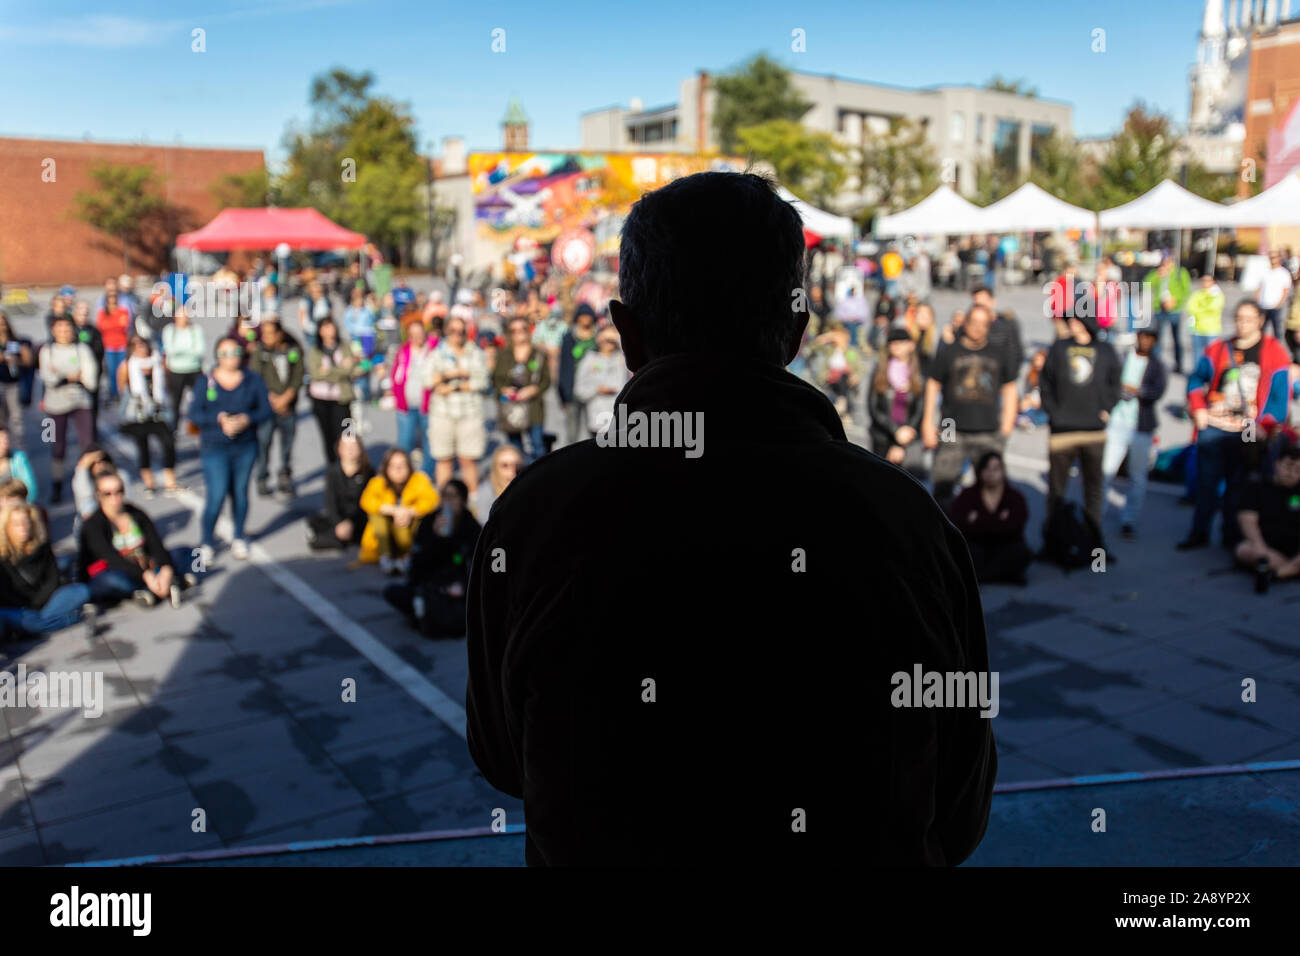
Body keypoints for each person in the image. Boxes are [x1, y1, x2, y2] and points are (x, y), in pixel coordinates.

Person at [466, 171, 995, 867]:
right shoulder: (906, 522)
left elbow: (504, 761)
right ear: (798, 330)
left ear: (627, 336)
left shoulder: (534, 517)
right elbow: (959, 809)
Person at [1180, 300, 1294, 551]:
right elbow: (1196, 380)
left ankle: (1231, 535)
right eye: (1239, 318)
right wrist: (1198, 407)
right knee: (1206, 483)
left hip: (1250, 428)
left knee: (1239, 484)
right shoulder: (1219, 348)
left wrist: (1267, 423)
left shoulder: (1274, 352)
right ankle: (1199, 532)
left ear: (1261, 321)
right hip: (1215, 423)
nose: (1243, 324)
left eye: (1249, 319)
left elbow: (1279, 396)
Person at [924, 303, 1019, 505]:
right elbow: (933, 384)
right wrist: (927, 423)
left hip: (988, 430)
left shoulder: (998, 353)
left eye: (983, 324)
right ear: (965, 322)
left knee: (992, 490)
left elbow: (1010, 388)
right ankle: (945, 533)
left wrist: (1007, 424)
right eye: (974, 322)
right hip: (950, 427)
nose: (978, 328)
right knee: (943, 484)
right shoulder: (949, 351)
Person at [188, 336, 272, 564]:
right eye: (224, 353)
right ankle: (206, 540)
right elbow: (194, 414)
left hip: (245, 446)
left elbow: (265, 410)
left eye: (234, 352)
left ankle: (238, 535)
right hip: (214, 446)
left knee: (241, 493)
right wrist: (218, 419)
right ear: (217, 357)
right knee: (216, 494)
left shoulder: (252, 380)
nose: (230, 358)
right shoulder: (206, 381)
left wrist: (247, 419)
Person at [1039, 311, 1121, 531]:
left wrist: (1106, 408)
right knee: (1057, 490)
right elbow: (1045, 381)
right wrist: (1052, 411)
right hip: (1061, 430)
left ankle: (1093, 542)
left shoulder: (1105, 349)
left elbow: (1116, 381)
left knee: (1093, 489)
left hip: (1094, 431)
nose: (1072, 323)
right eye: (1070, 320)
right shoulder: (1059, 348)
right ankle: (1053, 542)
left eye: (1076, 319)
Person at [382, 478, 481, 637]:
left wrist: (463, 585)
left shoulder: (471, 527)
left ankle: (426, 614)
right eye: (445, 496)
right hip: (430, 584)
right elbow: (417, 565)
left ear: (463, 500)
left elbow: (476, 565)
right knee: (393, 592)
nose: (448, 501)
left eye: (453, 496)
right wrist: (435, 537)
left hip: (458, 585)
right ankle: (423, 610)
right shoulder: (429, 522)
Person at [78, 471, 185, 608]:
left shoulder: (136, 513)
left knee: (184, 553)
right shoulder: (93, 524)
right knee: (110, 580)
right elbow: (109, 558)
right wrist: (145, 575)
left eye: (119, 491)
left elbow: (155, 544)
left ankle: (158, 586)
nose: (115, 497)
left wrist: (166, 568)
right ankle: (162, 586)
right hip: (120, 572)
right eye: (108, 493)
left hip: (147, 567)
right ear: (98, 496)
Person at [1101, 326, 1167, 539]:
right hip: (1116, 423)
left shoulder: (1157, 365)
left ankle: (1129, 520)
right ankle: (1095, 514)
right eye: (1143, 336)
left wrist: (1137, 392)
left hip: (1141, 426)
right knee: (1105, 470)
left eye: (1151, 338)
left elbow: (1157, 391)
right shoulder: (1122, 358)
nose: (1146, 341)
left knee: (1137, 477)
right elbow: (1107, 382)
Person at [0, 503, 93, 635]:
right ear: (6, 527)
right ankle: (71, 618)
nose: (23, 527)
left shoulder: (42, 546)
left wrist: (38, 607)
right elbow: (5, 594)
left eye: (26, 522)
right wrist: (30, 609)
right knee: (24, 620)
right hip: (19, 609)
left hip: (46, 603)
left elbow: (52, 581)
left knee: (81, 591)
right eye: (16, 524)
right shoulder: (2, 556)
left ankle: (32, 627)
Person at [947, 451, 1033, 586]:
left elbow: (1015, 526)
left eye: (995, 469)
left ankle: (985, 575)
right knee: (966, 554)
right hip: (977, 546)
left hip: (1005, 546)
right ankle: (998, 574)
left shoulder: (1014, 497)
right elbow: (958, 522)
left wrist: (978, 520)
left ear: (1002, 471)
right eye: (986, 468)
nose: (991, 473)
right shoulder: (968, 495)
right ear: (980, 471)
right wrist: (998, 521)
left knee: (1020, 553)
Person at [39, 315, 98, 504]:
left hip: (80, 400)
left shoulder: (82, 349)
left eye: (67, 328)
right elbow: (48, 377)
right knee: (57, 444)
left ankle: (89, 478)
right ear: (53, 331)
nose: (64, 332)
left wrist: (66, 376)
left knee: (87, 442)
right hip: (55, 403)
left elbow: (90, 376)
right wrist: (70, 376)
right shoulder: (47, 351)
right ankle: (57, 483)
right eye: (60, 328)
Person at [427, 311, 489, 494]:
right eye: (453, 330)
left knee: (468, 460)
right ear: (447, 331)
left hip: (470, 413)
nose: (457, 334)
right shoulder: (437, 353)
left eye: (461, 331)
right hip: (442, 414)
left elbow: (483, 381)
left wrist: (452, 386)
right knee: (444, 459)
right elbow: (427, 379)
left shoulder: (475, 352)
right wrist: (453, 374)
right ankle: (445, 500)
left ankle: (471, 502)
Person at [358, 446, 439, 575]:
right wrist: (393, 510)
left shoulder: (419, 480)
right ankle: (386, 558)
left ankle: (407, 557)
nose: (398, 470)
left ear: (409, 466)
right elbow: (366, 501)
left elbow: (431, 500)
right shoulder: (378, 482)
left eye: (402, 465)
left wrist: (409, 511)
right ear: (386, 468)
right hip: (386, 537)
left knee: (422, 518)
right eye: (393, 466)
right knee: (376, 515)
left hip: (410, 532)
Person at [249, 316, 304, 499]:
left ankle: (285, 475)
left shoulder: (293, 351)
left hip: (288, 406)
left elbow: (298, 375)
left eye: (270, 333)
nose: (266, 337)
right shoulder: (260, 352)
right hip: (267, 407)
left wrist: (287, 397)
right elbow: (255, 377)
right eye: (264, 334)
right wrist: (271, 399)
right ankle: (262, 477)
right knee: (264, 442)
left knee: (287, 444)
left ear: (280, 334)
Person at [117, 335, 178, 498]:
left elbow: (168, 383)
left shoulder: (158, 362)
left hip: (159, 410)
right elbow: (122, 389)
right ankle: (149, 483)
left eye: (142, 343)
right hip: (138, 412)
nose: (139, 347)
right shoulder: (127, 366)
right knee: (142, 447)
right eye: (135, 344)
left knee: (168, 442)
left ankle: (170, 481)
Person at [1236, 443, 1300, 593]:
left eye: (1297, 470)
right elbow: (1247, 520)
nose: (1291, 473)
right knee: (1244, 550)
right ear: (1277, 464)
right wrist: (1259, 547)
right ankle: (1290, 570)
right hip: (1266, 545)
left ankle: (1275, 574)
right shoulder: (1258, 487)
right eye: (1288, 466)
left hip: (1295, 546)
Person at [867, 327, 925, 477]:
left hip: (909, 438)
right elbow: (873, 407)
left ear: (911, 345)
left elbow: (920, 408)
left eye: (901, 342)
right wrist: (895, 431)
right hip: (882, 436)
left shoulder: (918, 373)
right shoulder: (880, 371)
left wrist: (903, 438)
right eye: (893, 343)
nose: (897, 346)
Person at [493, 315, 550, 463]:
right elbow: (495, 380)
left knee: (537, 447)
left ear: (528, 331)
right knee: (515, 449)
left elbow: (546, 380)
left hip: (533, 407)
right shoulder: (503, 354)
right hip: (510, 409)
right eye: (514, 330)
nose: (519, 333)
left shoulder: (538, 354)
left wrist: (534, 389)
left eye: (523, 329)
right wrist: (504, 390)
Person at [306, 432, 374, 551]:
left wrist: (351, 523)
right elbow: (330, 502)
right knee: (316, 521)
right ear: (339, 449)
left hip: (359, 519)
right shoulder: (333, 473)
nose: (350, 450)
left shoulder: (369, 473)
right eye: (346, 447)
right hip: (340, 517)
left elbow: (369, 503)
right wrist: (339, 523)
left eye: (353, 446)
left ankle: (341, 537)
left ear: (360, 448)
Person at [306, 317, 358, 465]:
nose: (329, 331)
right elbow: (315, 373)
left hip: (342, 398)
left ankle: (349, 462)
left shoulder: (344, 346)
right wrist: (341, 370)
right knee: (327, 435)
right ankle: (333, 466)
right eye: (325, 328)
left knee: (346, 433)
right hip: (321, 399)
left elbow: (351, 368)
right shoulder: (315, 350)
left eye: (331, 327)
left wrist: (328, 372)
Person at [391, 319, 434, 474]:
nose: (417, 337)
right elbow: (396, 375)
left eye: (420, 333)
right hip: (406, 405)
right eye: (413, 334)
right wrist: (397, 397)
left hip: (427, 405)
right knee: (404, 442)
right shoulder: (403, 351)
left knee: (429, 442)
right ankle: (403, 474)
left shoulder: (433, 350)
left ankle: (426, 475)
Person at [573, 327, 630, 439]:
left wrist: (616, 338)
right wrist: (596, 390)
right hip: (596, 420)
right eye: (605, 339)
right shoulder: (589, 360)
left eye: (611, 340)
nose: (608, 343)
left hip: (618, 420)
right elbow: (579, 390)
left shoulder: (621, 360)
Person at [557, 304, 599, 443]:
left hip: (594, 389)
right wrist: (563, 394)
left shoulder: (598, 338)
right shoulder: (569, 338)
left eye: (588, 316)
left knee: (596, 429)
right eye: (583, 316)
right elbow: (563, 367)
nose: (586, 319)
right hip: (573, 390)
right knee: (572, 432)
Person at [1143, 255, 1192, 374]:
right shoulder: (1159, 273)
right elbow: (1145, 284)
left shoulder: (1180, 273)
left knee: (1176, 339)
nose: (1166, 263)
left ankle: (1179, 364)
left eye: (1168, 261)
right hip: (1160, 309)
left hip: (1175, 311)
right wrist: (1157, 275)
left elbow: (1186, 291)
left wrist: (1175, 301)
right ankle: (1155, 364)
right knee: (1157, 339)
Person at [161, 304, 206, 434]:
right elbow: (169, 350)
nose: (184, 318)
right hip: (176, 371)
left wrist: (180, 352)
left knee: (198, 399)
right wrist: (188, 351)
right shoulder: (169, 330)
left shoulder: (196, 330)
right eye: (181, 314)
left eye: (186, 315)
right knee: (175, 402)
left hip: (194, 369)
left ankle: (197, 426)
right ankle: (172, 428)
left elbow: (200, 350)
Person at [971, 286, 1023, 376]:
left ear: (992, 301)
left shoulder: (1007, 324)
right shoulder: (967, 327)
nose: (981, 308)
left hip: (999, 378)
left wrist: (1008, 378)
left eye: (983, 304)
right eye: (977, 305)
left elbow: (1016, 353)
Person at [0, 311, 34, 443]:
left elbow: (28, 361)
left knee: (16, 418)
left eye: (3, 323)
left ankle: (18, 446)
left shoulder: (17, 342)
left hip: (13, 383)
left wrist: (15, 360)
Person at [96, 290, 131, 401]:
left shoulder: (123, 311)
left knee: (122, 369)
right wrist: (114, 325)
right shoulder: (102, 313)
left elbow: (124, 326)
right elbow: (101, 327)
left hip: (121, 345)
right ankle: (114, 393)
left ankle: (122, 392)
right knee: (111, 371)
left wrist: (111, 325)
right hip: (109, 345)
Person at [472, 443, 523, 519]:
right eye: (505, 466)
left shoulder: (527, 487)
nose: (512, 471)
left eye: (516, 465)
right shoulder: (485, 491)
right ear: (496, 468)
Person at [1252, 250, 1294, 341]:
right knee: (1260, 330)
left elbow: (1286, 290)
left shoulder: (1283, 273)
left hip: (1276, 307)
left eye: (1274, 257)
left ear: (1279, 259)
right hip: (1263, 306)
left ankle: (1277, 351)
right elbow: (1260, 287)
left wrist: (1279, 304)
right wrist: (1257, 301)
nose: (1272, 259)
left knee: (1277, 332)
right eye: (1270, 257)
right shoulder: (1266, 271)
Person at [1186, 273, 1226, 364]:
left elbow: (1213, 308)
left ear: (1213, 282)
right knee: (1197, 355)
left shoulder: (1217, 295)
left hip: (1211, 330)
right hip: (1197, 329)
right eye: (1203, 280)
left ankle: (1211, 375)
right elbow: (1190, 307)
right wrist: (1203, 311)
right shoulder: (1197, 294)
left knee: (1212, 356)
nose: (1205, 283)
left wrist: (1199, 310)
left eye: (1208, 281)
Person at [0, 426, 37, 502]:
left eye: (6, 441)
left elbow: (31, 488)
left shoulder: (18, 458)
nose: (4, 445)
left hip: (15, 505)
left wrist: (21, 504)